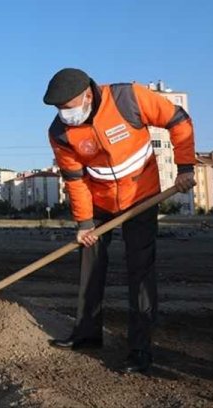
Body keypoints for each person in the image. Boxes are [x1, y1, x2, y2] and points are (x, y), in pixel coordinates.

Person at [42, 68, 195, 374]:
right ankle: (86, 334)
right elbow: (75, 179)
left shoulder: (128, 98)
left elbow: (178, 120)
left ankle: (140, 349)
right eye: (59, 109)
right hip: (98, 203)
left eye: (68, 107)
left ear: (87, 94)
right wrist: (84, 222)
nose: (64, 115)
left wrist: (185, 166)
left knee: (140, 270)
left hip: (142, 195)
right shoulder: (60, 132)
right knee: (91, 263)